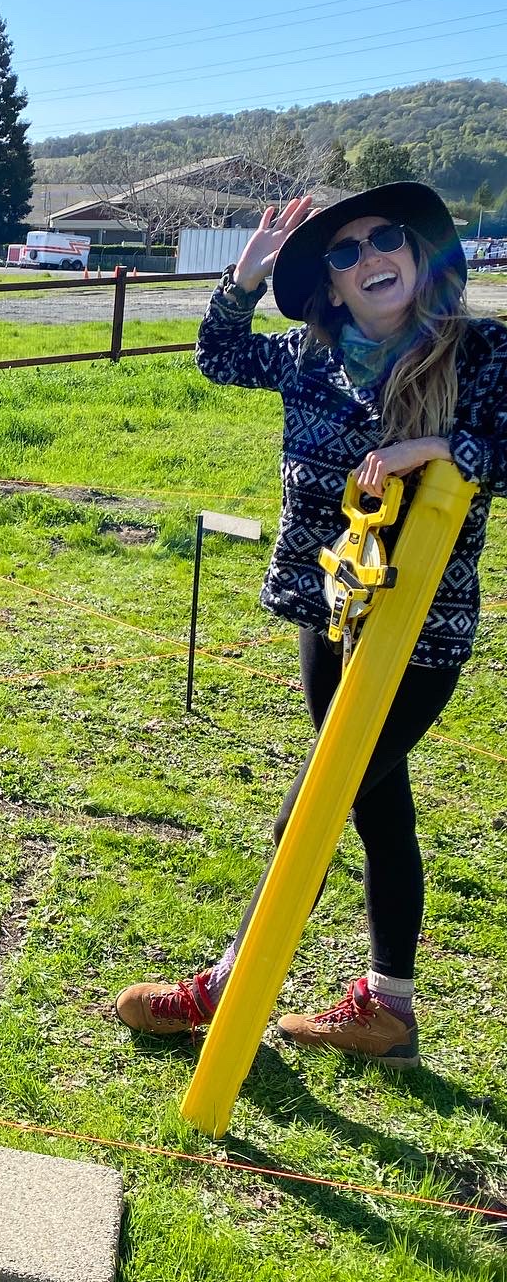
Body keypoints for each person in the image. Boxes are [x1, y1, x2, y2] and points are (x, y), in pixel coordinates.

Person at [114, 182, 507, 1067]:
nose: (371, 257)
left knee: (320, 795)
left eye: (385, 239)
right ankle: (388, 1011)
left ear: (416, 254)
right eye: (344, 250)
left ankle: (226, 987)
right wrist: (243, 277)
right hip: (329, 616)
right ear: (329, 285)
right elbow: (217, 355)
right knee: (376, 805)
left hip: (419, 632)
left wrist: (443, 448)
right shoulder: (306, 356)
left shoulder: (479, 353)